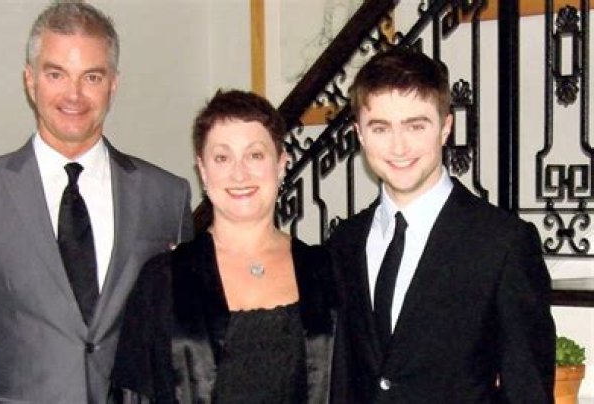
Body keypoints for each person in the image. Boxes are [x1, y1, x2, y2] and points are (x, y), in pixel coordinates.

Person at [0, 3, 193, 403]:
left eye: (92, 77)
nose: (74, 94)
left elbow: (185, 351)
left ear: (113, 84)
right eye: (56, 74)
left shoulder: (166, 197)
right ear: (30, 80)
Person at [326, 48, 556, 403]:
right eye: (381, 128)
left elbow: (528, 391)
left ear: (445, 127)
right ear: (360, 134)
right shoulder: (344, 242)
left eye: (416, 126)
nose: (398, 147)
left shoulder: (503, 242)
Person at [112, 89, 346, 403]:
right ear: (202, 170)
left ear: (281, 164)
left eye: (255, 155)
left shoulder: (326, 271)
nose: (239, 173)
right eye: (222, 158)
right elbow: (133, 394)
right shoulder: (164, 279)